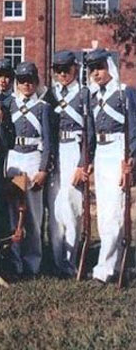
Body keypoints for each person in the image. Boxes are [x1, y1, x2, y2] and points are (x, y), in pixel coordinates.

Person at [85, 48, 136, 283]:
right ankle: (113, 265)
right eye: (92, 69)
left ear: (109, 66)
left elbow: (133, 128)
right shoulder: (94, 97)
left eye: (100, 67)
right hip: (101, 153)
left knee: (116, 211)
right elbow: (91, 132)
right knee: (104, 213)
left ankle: (104, 269)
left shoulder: (125, 93)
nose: (96, 73)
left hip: (119, 150)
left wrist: (131, 159)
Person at [45, 50, 94, 277]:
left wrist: (83, 163)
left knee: (72, 209)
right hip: (55, 152)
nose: (63, 74)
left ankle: (70, 262)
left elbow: (90, 132)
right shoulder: (49, 94)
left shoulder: (84, 94)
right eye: (58, 70)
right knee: (55, 211)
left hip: (74, 151)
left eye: (67, 69)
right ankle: (56, 261)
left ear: (75, 68)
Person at [4, 61, 52, 276]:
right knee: (13, 211)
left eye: (30, 80)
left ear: (36, 81)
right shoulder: (8, 104)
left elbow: (49, 142)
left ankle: (33, 262)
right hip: (14, 156)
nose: (26, 84)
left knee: (33, 213)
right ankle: (14, 261)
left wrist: (43, 169)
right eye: (21, 80)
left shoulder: (43, 107)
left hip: (34, 156)